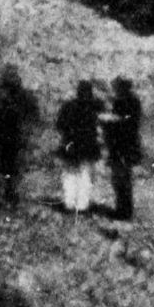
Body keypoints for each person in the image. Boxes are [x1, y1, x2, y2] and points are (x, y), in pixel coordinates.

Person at [54, 80, 104, 216]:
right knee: (86, 174)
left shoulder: (69, 106)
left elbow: (59, 125)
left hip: (71, 144)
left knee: (70, 174)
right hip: (88, 145)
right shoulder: (95, 106)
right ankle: (82, 205)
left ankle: (69, 203)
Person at [0, 66, 34, 208]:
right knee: (12, 169)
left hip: (2, 138)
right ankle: (10, 195)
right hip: (13, 139)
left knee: (3, 169)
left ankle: (3, 196)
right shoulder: (23, 97)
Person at [101, 80, 145, 221]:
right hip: (121, 145)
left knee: (122, 178)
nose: (115, 90)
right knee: (119, 178)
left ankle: (124, 211)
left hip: (124, 145)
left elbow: (128, 122)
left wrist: (111, 119)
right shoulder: (126, 100)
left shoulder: (129, 101)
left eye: (116, 87)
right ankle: (123, 209)